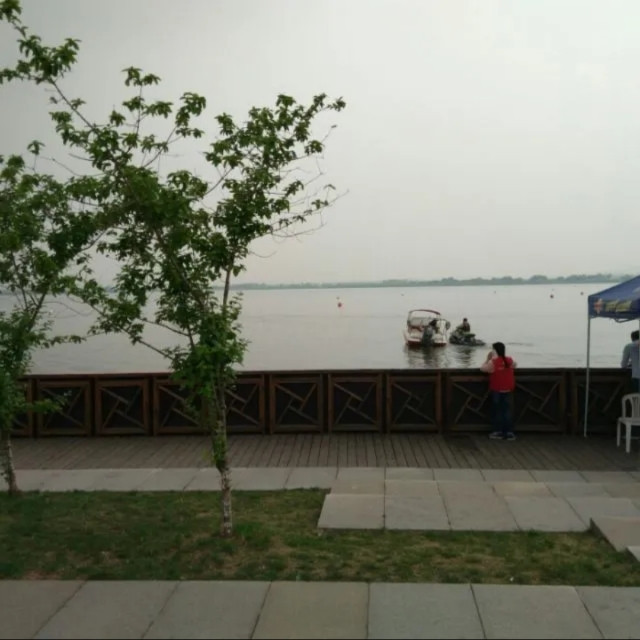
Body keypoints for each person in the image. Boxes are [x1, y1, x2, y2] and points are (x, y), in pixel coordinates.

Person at [480, 341, 517, 440]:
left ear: (495, 351)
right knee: (507, 411)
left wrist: (487, 359)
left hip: (497, 389)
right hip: (508, 389)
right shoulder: (509, 360)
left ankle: (498, 432)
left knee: (497, 410)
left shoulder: (493, 362)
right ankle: (509, 433)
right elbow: (515, 365)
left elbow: (483, 369)